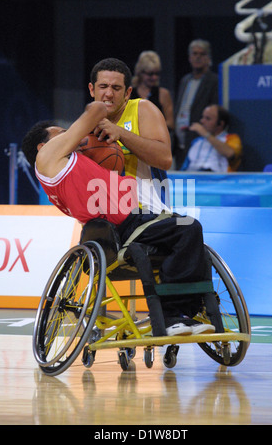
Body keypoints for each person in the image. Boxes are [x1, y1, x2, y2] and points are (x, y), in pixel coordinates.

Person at [21, 101, 215, 337]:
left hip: (129, 222)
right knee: (188, 228)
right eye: (61, 134)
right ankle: (173, 315)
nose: (69, 135)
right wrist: (104, 103)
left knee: (183, 236)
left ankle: (184, 309)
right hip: (124, 227)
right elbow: (96, 111)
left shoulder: (66, 167)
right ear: (43, 146)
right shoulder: (47, 159)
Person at [88, 57, 172, 214]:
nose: (109, 94)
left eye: (116, 88)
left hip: (147, 214)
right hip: (105, 217)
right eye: (103, 86)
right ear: (92, 89)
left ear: (127, 93)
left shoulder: (142, 109)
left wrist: (120, 133)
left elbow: (165, 159)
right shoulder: (86, 124)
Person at [174, 39, 219, 169]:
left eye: (202, 54)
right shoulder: (185, 80)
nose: (198, 57)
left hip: (200, 141)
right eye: (195, 54)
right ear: (189, 57)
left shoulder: (214, 80)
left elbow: (215, 110)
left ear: (208, 58)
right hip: (180, 141)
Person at [130, 50, 175, 147]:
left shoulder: (163, 94)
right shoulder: (129, 93)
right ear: (140, 73)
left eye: (157, 74)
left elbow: (170, 123)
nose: (154, 77)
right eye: (150, 74)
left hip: (157, 144)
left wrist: (147, 129)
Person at [181, 104, 242, 172]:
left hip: (217, 180)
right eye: (202, 117)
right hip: (193, 178)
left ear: (220, 124)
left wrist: (205, 133)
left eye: (208, 118)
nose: (202, 121)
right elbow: (184, 167)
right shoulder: (197, 141)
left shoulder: (231, 138)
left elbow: (230, 154)